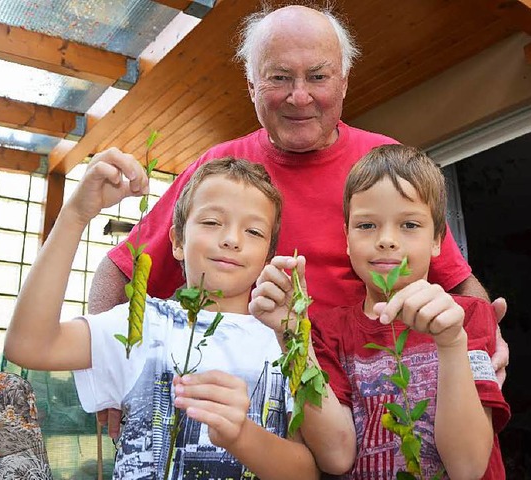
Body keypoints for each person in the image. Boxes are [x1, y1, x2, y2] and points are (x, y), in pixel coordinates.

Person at [90, 3, 509, 439]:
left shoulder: (382, 167)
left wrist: (486, 340)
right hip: (241, 409)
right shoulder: (219, 170)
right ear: (251, 84)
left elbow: (459, 285)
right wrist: (114, 376)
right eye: (279, 77)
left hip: (368, 417)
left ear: (344, 82)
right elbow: (119, 269)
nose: (300, 96)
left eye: (318, 76)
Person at [4, 156, 320, 480]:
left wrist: (242, 435)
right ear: (177, 242)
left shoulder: (284, 339)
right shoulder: (145, 324)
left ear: (268, 255)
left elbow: (306, 472)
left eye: (253, 231)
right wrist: (75, 215)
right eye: (212, 222)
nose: (232, 239)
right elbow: (29, 346)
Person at [252, 144, 511, 478]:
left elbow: (468, 467)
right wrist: (292, 336)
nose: (387, 240)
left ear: (438, 240)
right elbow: (335, 456)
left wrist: (451, 344)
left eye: (409, 225)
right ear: (346, 238)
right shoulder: (325, 330)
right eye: (366, 226)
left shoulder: (468, 317)